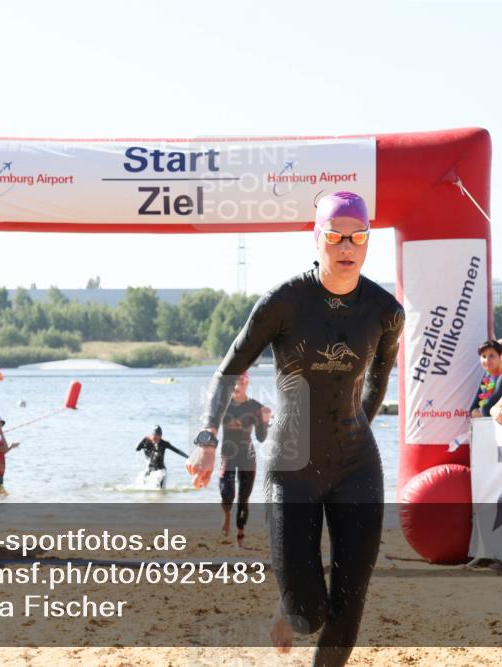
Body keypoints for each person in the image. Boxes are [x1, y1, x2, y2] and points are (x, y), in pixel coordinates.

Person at [186, 191, 403, 666]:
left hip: (357, 466)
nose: (346, 246)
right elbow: (228, 370)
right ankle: (289, 608)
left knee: (350, 604)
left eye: (357, 237)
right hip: (292, 464)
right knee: (309, 612)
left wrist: (351, 435)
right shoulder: (284, 302)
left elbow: (377, 386)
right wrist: (207, 438)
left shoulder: (386, 311)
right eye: (335, 236)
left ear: (367, 242)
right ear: (317, 238)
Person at [218, 371, 272, 546]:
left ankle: (240, 534)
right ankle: (226, 515)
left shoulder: (255, 407)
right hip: (228, 453)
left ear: (247, 383)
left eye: (241, 381)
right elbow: (209, 425)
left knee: (243, 497)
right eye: (234, 382)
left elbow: (261, 438)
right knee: (227, 494)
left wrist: (264, 421)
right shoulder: (223, 405)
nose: (237, 385)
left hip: (247, 455)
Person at [470, 339, 502, 418]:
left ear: (501, 357)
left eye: (491, 356)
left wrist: (479, 412)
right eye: (483, 356)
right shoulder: (486, 376)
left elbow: (488, 408)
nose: (487, 360)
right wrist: (478, 412)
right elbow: (473, 408)